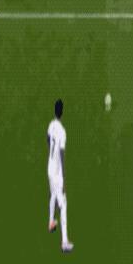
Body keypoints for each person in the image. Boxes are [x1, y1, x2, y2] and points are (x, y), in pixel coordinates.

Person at [47, 99, 74, 252]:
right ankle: (64, 242)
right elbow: (62, 154)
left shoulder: (51, 125)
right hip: (57, 172)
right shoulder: (62, 131)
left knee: (53, 195)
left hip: (49, 168)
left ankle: (51, 222)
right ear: (62, 112)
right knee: (63, 204)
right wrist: (63, 177)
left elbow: (47, 138)